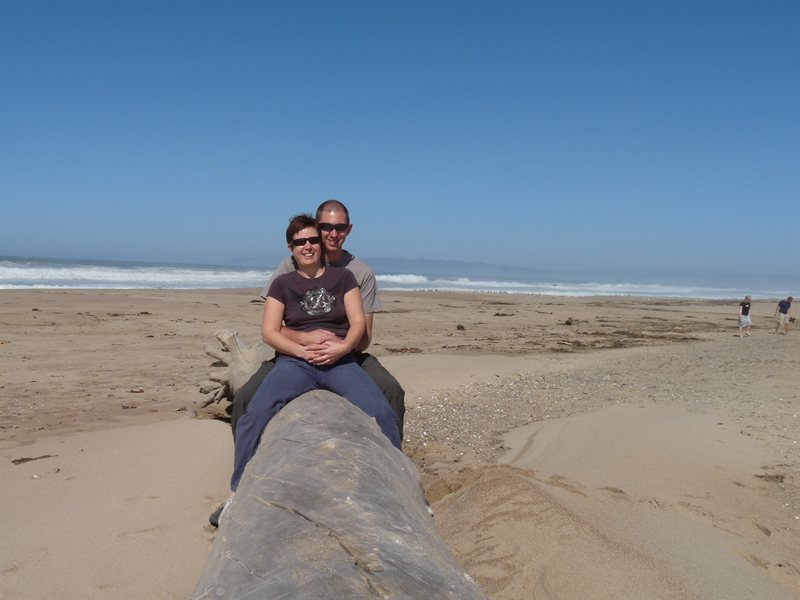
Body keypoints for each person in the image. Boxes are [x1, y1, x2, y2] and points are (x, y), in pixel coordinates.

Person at [227, 214, 402, 508]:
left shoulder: (344, 277)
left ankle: (402, 486)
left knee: (382, 413)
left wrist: (343, 348)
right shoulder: (282, 283)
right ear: (290, 247)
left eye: (312, 240)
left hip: (339, 360)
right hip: (295, 363)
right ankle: (236, 490)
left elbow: (358, 322)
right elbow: (269, 332)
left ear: (319, 244)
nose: (307, 246)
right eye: (299, 242)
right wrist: (300, 352)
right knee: (254, 414)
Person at [230, 200, 405, 437]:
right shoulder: (289, 265)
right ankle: (246, 463)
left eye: (340, 228)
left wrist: (338, 346)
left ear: (349, 229)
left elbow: (364, 338)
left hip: (347, 352)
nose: (334, 234)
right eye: (326, 227)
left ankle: (394, 459)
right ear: (317, 227)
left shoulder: (360, 273)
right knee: (244, 400)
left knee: (392, 391)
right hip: (296, 354)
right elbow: (273, 328)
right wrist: (304, 338)